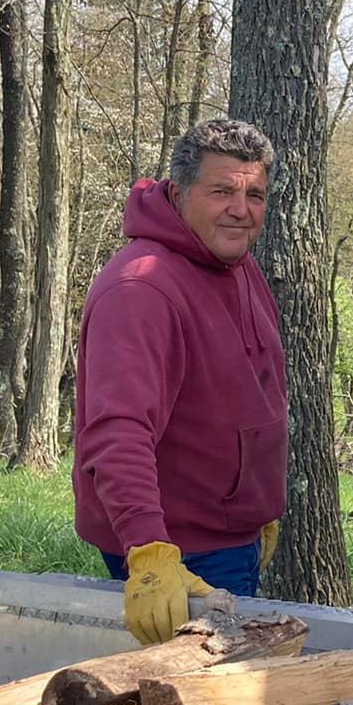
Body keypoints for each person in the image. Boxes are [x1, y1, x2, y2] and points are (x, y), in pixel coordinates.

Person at [73, 117, 287, 643]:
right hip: (178, 552)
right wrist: (148, 549)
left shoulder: (236, 263)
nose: (241, 210)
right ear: (179, 192)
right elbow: (118, 431)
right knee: (195, 690)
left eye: (255, 195)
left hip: (230, 536)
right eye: (222, 192)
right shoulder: (141, 288)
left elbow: (249, 391)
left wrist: (256, 504)